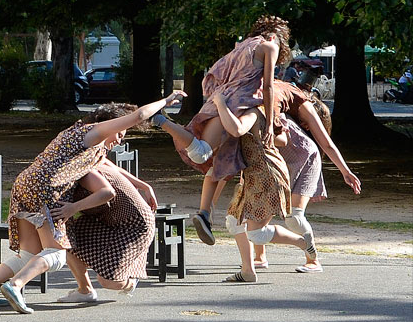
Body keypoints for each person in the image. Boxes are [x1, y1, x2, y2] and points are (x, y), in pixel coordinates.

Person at [0, 92, 185, 313]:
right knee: (56, 255)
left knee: (28, 254)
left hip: (25, 183)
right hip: (47, 188)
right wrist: (165, 101)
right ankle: (15, 285)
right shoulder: (93, 133)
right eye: (119, 132)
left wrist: (143, 185)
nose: (120, 138)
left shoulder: (81, 140)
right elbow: (140, 115)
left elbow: (111, 167)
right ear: (109, 124)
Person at [152, 15, 291, 247]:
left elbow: (215, 73)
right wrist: (268, 123)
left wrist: (217, 98)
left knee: (215, 158)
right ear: (275, 35)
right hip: (237, 104)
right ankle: (162, 121)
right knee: (208, 154)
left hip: (221, 98)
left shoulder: (240, 47)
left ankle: (204, 213)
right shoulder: (269, 46)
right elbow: (267, 85)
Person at [250, 84, 361, 273]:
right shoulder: (272, 100)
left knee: (294, 217)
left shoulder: (299, 104)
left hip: (307, 161)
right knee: (258, 211)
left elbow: (326, 144)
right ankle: (259, 257)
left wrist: (345, 171)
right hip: (282, 161)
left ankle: (313, 259)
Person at [210, 92, 315, 283]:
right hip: (253, 174)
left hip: (266, 174)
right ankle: (248, 271)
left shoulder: (253, 111)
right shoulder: (265, 110)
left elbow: (237, 130)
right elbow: (281, 140)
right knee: (234, 221)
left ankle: (302, 242)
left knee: (255, 233)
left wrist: (220, 103)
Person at [57, 154, 158, 302]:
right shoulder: (79, 159)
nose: (118, 140)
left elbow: (108, 191)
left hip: (135, 224)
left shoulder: (88, 166)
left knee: (108, 282)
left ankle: (131, 280)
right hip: (104, 218)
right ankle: (85, 290)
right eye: (118, 135)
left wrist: (145, 186)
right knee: (65, 239)